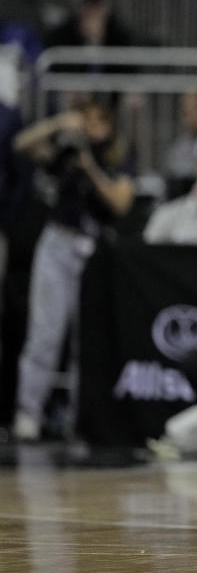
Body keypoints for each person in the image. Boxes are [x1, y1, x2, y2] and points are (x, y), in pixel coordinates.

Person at [12, 99, 133, 440]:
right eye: (87, 121)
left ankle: (80, 419)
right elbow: (21, 145)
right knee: (45, 333)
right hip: (58, 244)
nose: (91, 128)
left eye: (97, 122)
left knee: (88, 340)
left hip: (93, 251)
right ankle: (28, 412)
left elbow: (120, 202)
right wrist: (59, 124)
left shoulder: (115, 159)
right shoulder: (67, 151)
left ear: (109, 126)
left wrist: (90, 167)